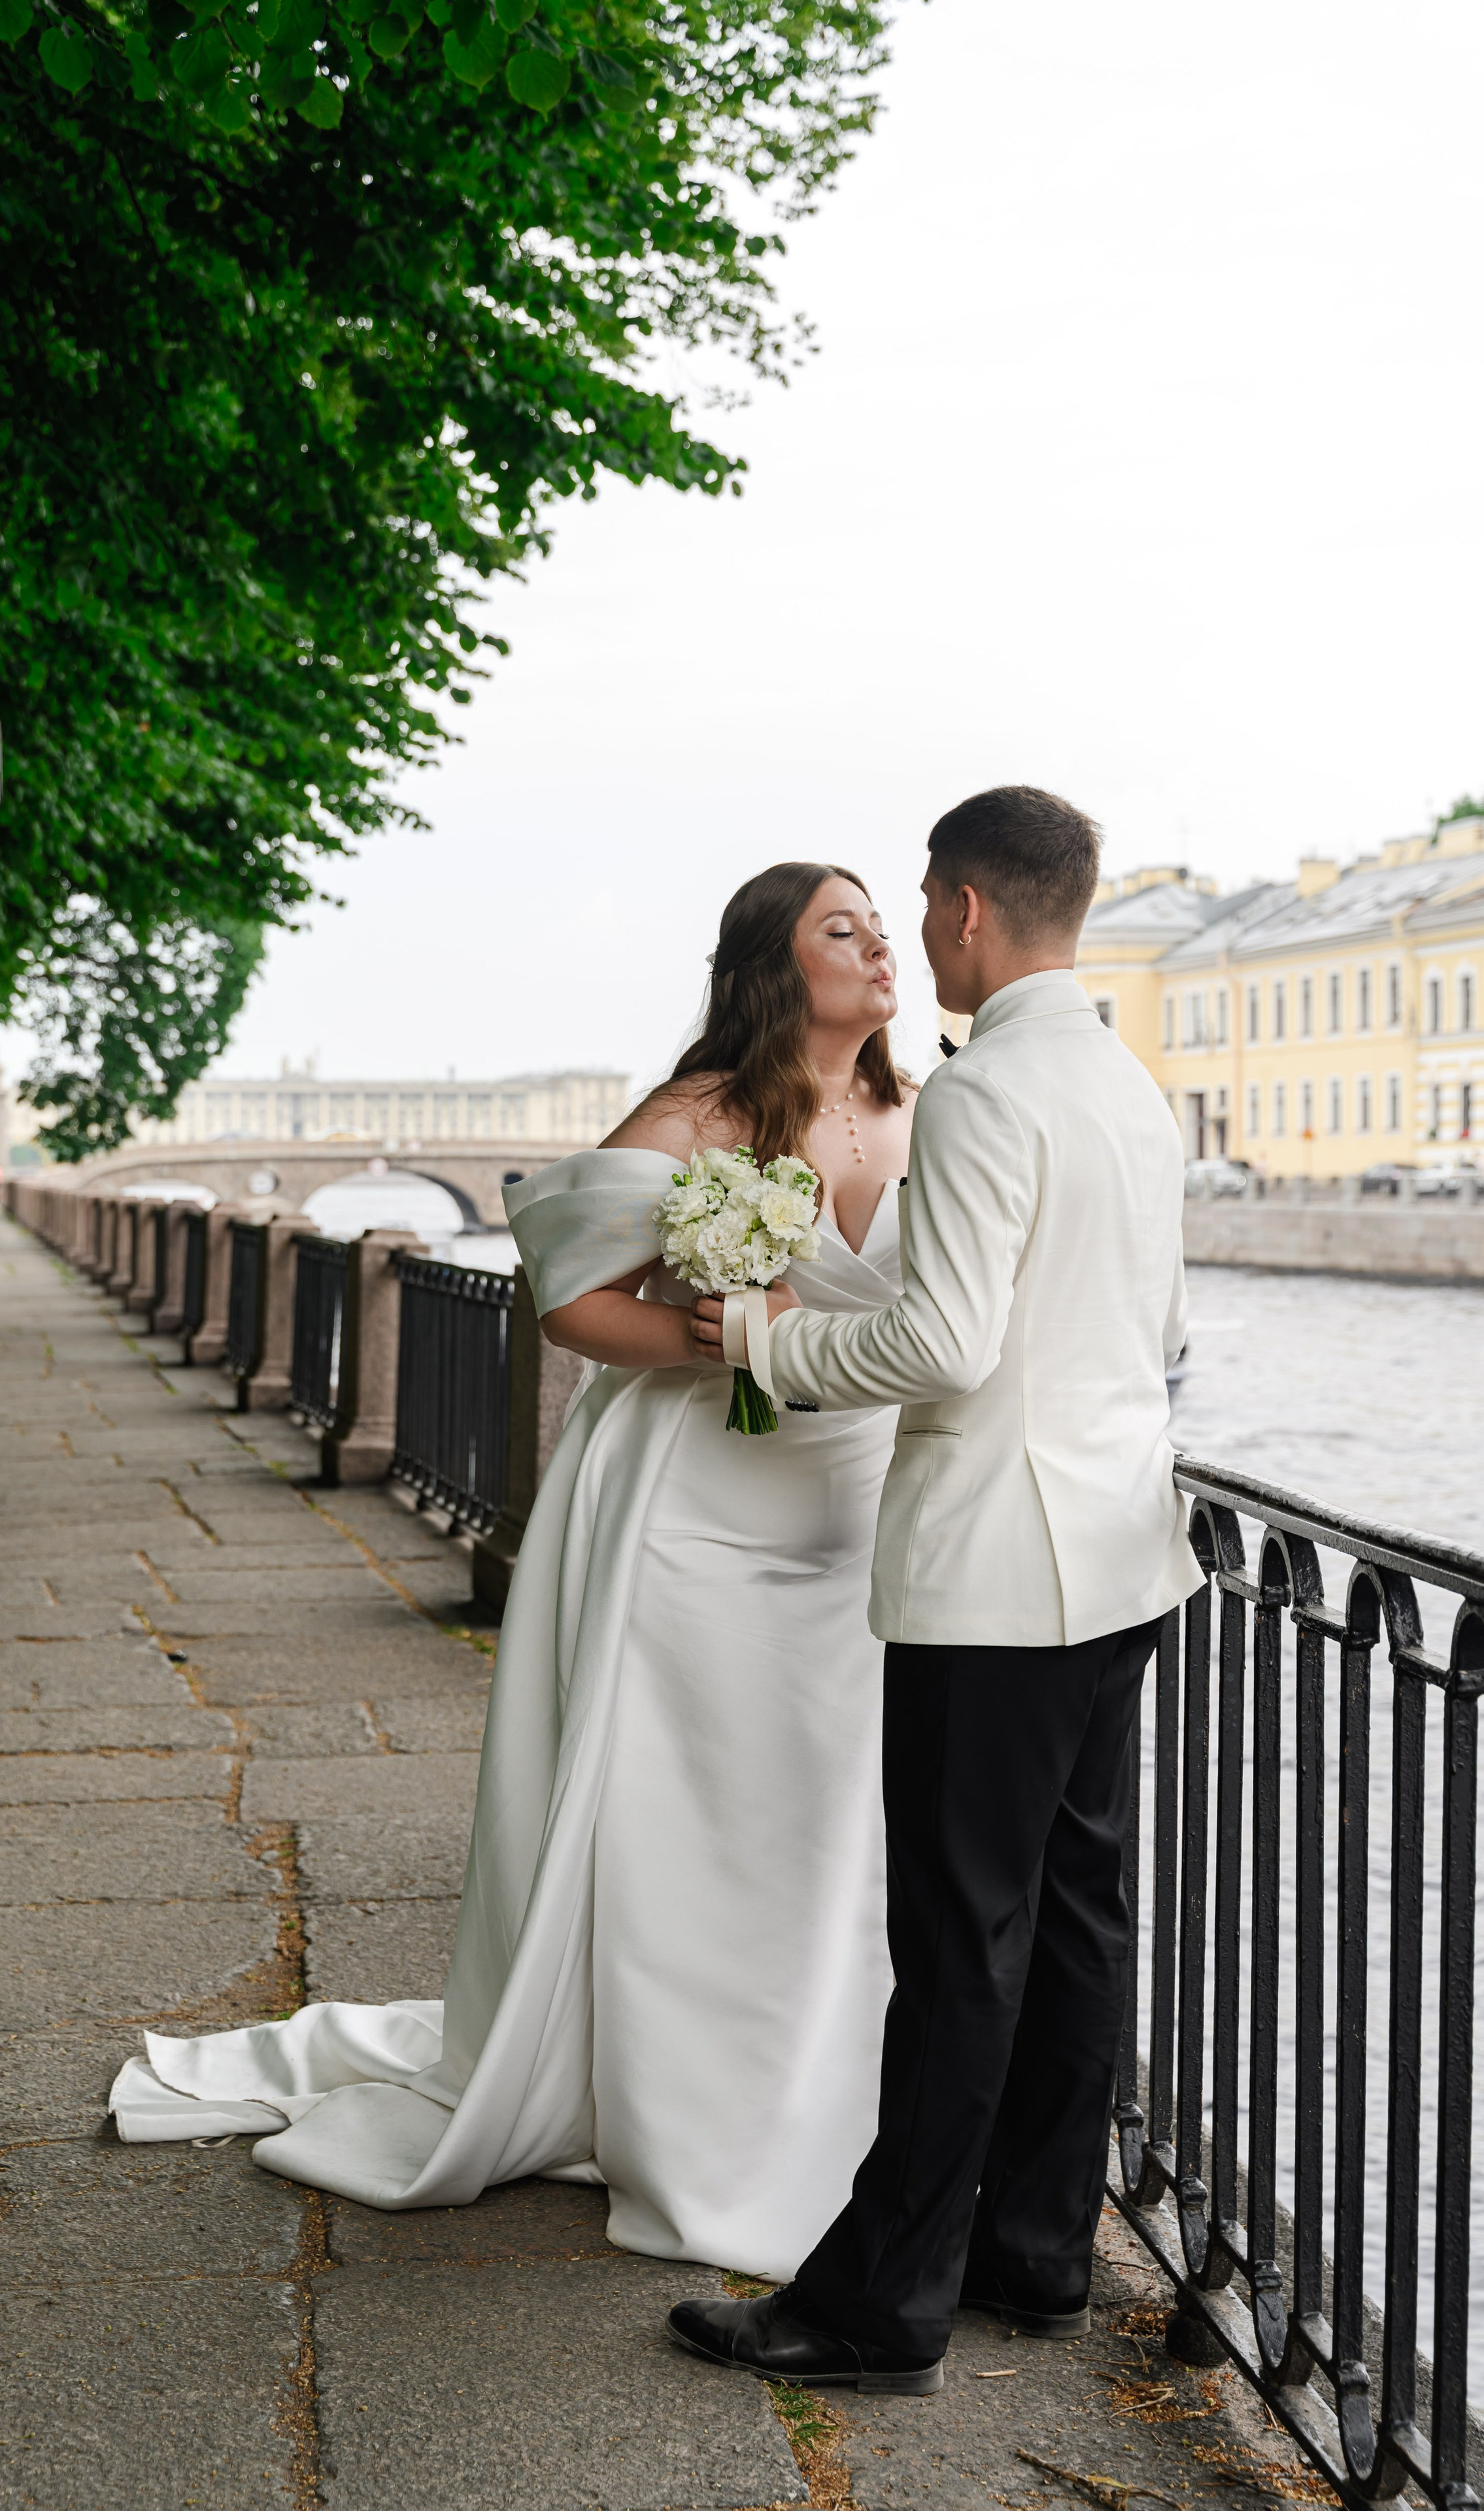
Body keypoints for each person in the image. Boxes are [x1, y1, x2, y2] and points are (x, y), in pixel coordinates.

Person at [109, 861, 915, 2280]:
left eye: (882, 928)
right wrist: (731, 1341)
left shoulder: (928, 1115)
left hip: (853, 1507)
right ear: (772, 964)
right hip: (699, 1504)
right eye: (841, 929)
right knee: (688, 1797)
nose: (878, 950)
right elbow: (571, 1306)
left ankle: (829, 2084)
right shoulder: (695, 1118)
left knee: (826, 1808)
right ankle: (678, 2100)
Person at [668, 786, 1204, 2394]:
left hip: (991, 1570)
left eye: (921, 901)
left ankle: (878, 2301)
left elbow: (944, 1346)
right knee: (1075, 1921)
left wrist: (765, 1340)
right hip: (1118, 1552)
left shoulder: (984, 1097)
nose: (919, 925)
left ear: (967, 909)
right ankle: (1032, 2251)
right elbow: (1156, 1336)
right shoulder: (1126, 1084)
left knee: (960, 1940)